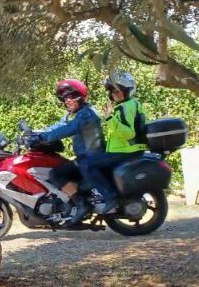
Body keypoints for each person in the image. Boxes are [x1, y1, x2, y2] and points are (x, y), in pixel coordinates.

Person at [29, 78, 115, 223]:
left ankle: (82, 205)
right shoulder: (73, 114)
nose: (67, 101)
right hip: (85, 157)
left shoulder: (87, 113)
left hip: (91, 156)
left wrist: (43, 137)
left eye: (70, 97)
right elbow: (58, 126)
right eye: (64, 98)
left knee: (56, 174)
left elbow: (69, 129)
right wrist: (35, 134)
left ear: (80, 96)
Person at [78, 71, 149, 204]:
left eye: (116, 90)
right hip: (128, 149)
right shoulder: (129, 105)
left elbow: (129, 133)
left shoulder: (125, 107)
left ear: (127, 90)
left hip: (126, 151)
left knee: (86, 164)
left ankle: (109, 196)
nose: (113, 94)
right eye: (111, 91)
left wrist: (110, 118)